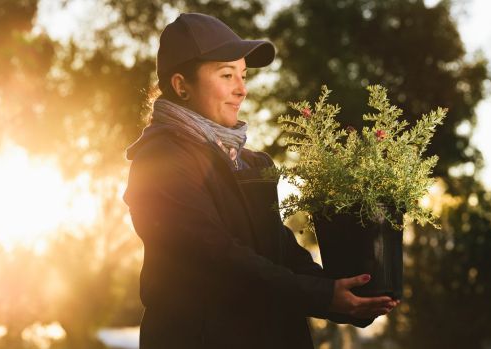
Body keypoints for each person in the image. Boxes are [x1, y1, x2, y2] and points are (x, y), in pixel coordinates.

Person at [123, 13, 398, 349]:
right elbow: (218, 258)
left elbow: (280, 254)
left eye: (243, 75)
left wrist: (350, 297)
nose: (242, 90)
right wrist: (324, 297)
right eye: (227, 75)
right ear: (181, 85)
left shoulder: (251, 164)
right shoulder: (159, 160)